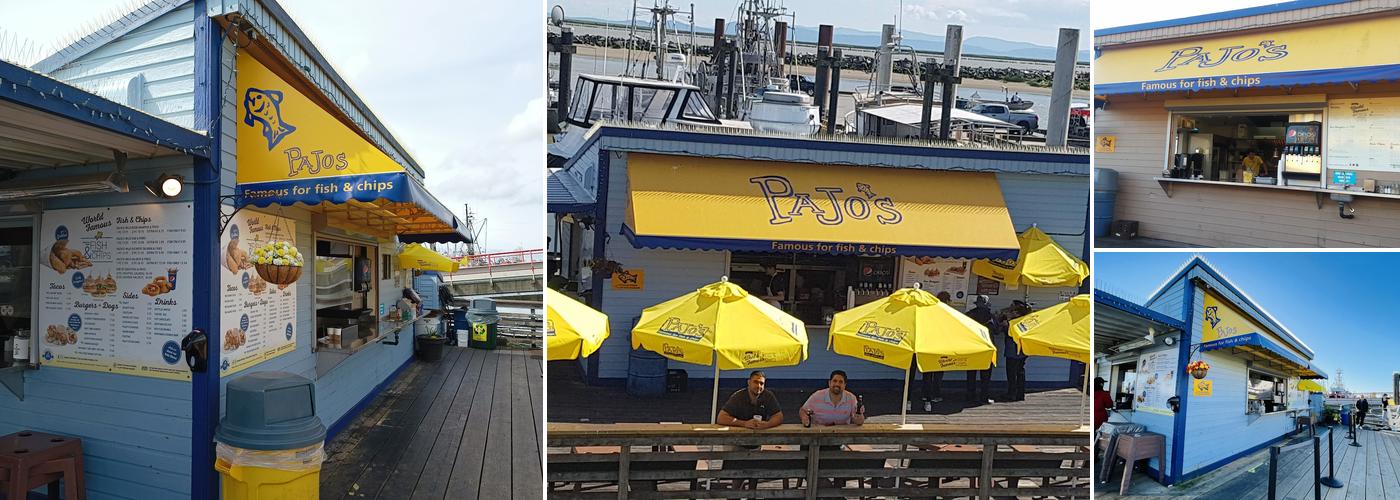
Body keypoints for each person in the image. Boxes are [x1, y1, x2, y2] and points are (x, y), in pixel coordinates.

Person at [718, 371, 784, 429]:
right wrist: (744, 423)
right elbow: (721, 418)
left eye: (761, 383)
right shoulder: (739, 396)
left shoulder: (768, 395)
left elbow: (779, 416)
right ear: (749, 382)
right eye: (755, 382)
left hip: (760, 434)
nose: (758, 386)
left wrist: (768, 424)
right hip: (739, 435)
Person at [800, 370, 865, 426]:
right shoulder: (817, 396)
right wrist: (804, 418)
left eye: (840, 382)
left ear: (845, 385)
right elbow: (803, 410)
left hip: (842, 436)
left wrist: (859, 416)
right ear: (829, 383)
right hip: (819, 434)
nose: (837, 384)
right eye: (835, 381)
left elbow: (859, 422)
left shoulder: (851, 398)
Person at [964, 295, 997, 405]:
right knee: (986, 375)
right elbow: (997, 330)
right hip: (987, 347)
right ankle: (984, 397)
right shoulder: (991, 316)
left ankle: (970, 396)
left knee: (971, 373)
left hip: (972, 347)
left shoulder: (969, 315)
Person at [1000, 300, 1031, 401]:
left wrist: (1005, 323)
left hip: (1012, 351)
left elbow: (1007, 332)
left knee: (1011, 373)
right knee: (1020, 371)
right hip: (1023, 350)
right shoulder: (1025, 321)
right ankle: (1020, 394)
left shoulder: (1012, 323)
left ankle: (1011, 393)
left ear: (1017, 312)